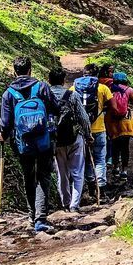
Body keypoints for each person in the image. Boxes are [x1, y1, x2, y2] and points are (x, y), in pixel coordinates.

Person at [0, 56, 61, 234]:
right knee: (43, 176)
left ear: (15, 71)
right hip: (44, 140)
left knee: (28, 177)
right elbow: (55, 108)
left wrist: (2, 135)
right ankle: (40, 219)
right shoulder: (41, 87)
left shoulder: (8, 94)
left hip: (22, 143)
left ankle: (30, 216)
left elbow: (6, 122)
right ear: (30, 70)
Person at [47, 68, 90, 212]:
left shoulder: (45, 96)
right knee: (77, 172)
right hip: (74, 138)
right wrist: (88, 134)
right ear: (63, 81)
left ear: (49, 81)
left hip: (56, 141)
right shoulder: (72, 95)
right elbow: (83, 118)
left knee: (62, 173)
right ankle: (74, 205)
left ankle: (65, 203)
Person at [73, 63, 112, 195]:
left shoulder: (74, 88)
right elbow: (113, 106)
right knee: (100, 158)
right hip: (99, 129)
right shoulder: (102, 88)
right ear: (96, 75)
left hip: (83, 131)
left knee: (87, 159)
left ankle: (91, 186)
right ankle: (101, 186)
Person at [106, 71, 133, 184]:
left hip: (112, 123)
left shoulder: (109, 89)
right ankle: (124, 171)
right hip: (125, 123)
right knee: (125, 147)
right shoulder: (129, 90)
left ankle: (115, 168)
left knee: (114, 145)